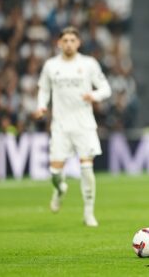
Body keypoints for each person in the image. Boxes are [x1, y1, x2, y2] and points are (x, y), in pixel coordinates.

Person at [33, 26, 111, 227]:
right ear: (59, 43)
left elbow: (105, 88)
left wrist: (93, 95)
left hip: (84, 124)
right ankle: (60, 189)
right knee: (55, 173)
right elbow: (43, 90)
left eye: (72, 40)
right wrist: (41, 106)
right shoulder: (51, 66)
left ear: (78, 43)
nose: (68, 44)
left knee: (86, 167)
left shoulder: (88, 64)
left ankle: (88, 213)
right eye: (65, 40)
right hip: (60, 125)